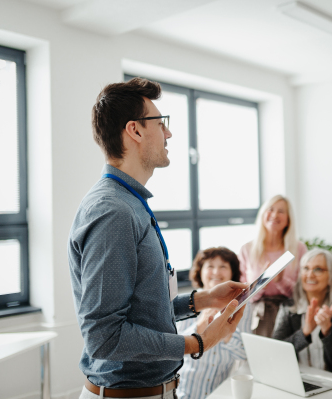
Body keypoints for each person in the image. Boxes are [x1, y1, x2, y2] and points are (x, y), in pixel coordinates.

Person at [68, 77, 247, 399]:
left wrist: (201, 300)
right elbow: (104, 337)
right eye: (161, 123)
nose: (169, 133)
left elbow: (141, 310)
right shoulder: (114, 212)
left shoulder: (130, 203)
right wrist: (198, 342)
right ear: (135, 130)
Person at [177, 247, 252, 399]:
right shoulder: (187, 303)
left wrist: (226, 331)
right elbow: (174, 350)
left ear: (232, 273)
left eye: (223, 266)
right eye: (210, 266)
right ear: (200, 271)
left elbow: (244, 353)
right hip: (184, 391)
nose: (216, 272)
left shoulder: (243, 305)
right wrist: (202, 322)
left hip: (221, 392)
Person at [272, 249, 332, 374]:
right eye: (306, 268)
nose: (310, 275)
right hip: (295, 377)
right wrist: (304, 332)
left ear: (331, 276)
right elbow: (275, 353)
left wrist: (327, 332)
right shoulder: (289, 307)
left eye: (318, 269)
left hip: (331, 382)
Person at [238, 195, 307, 337]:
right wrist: (261, 282)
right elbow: (240, 294)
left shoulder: (299, 248)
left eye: (281, 211)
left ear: (288, 219)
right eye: (270, 209)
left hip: (289, 313)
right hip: (256, 316)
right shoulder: (247, 249)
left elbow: (302, 291)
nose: (275, 215)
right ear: (263, 214)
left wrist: (280, 280)